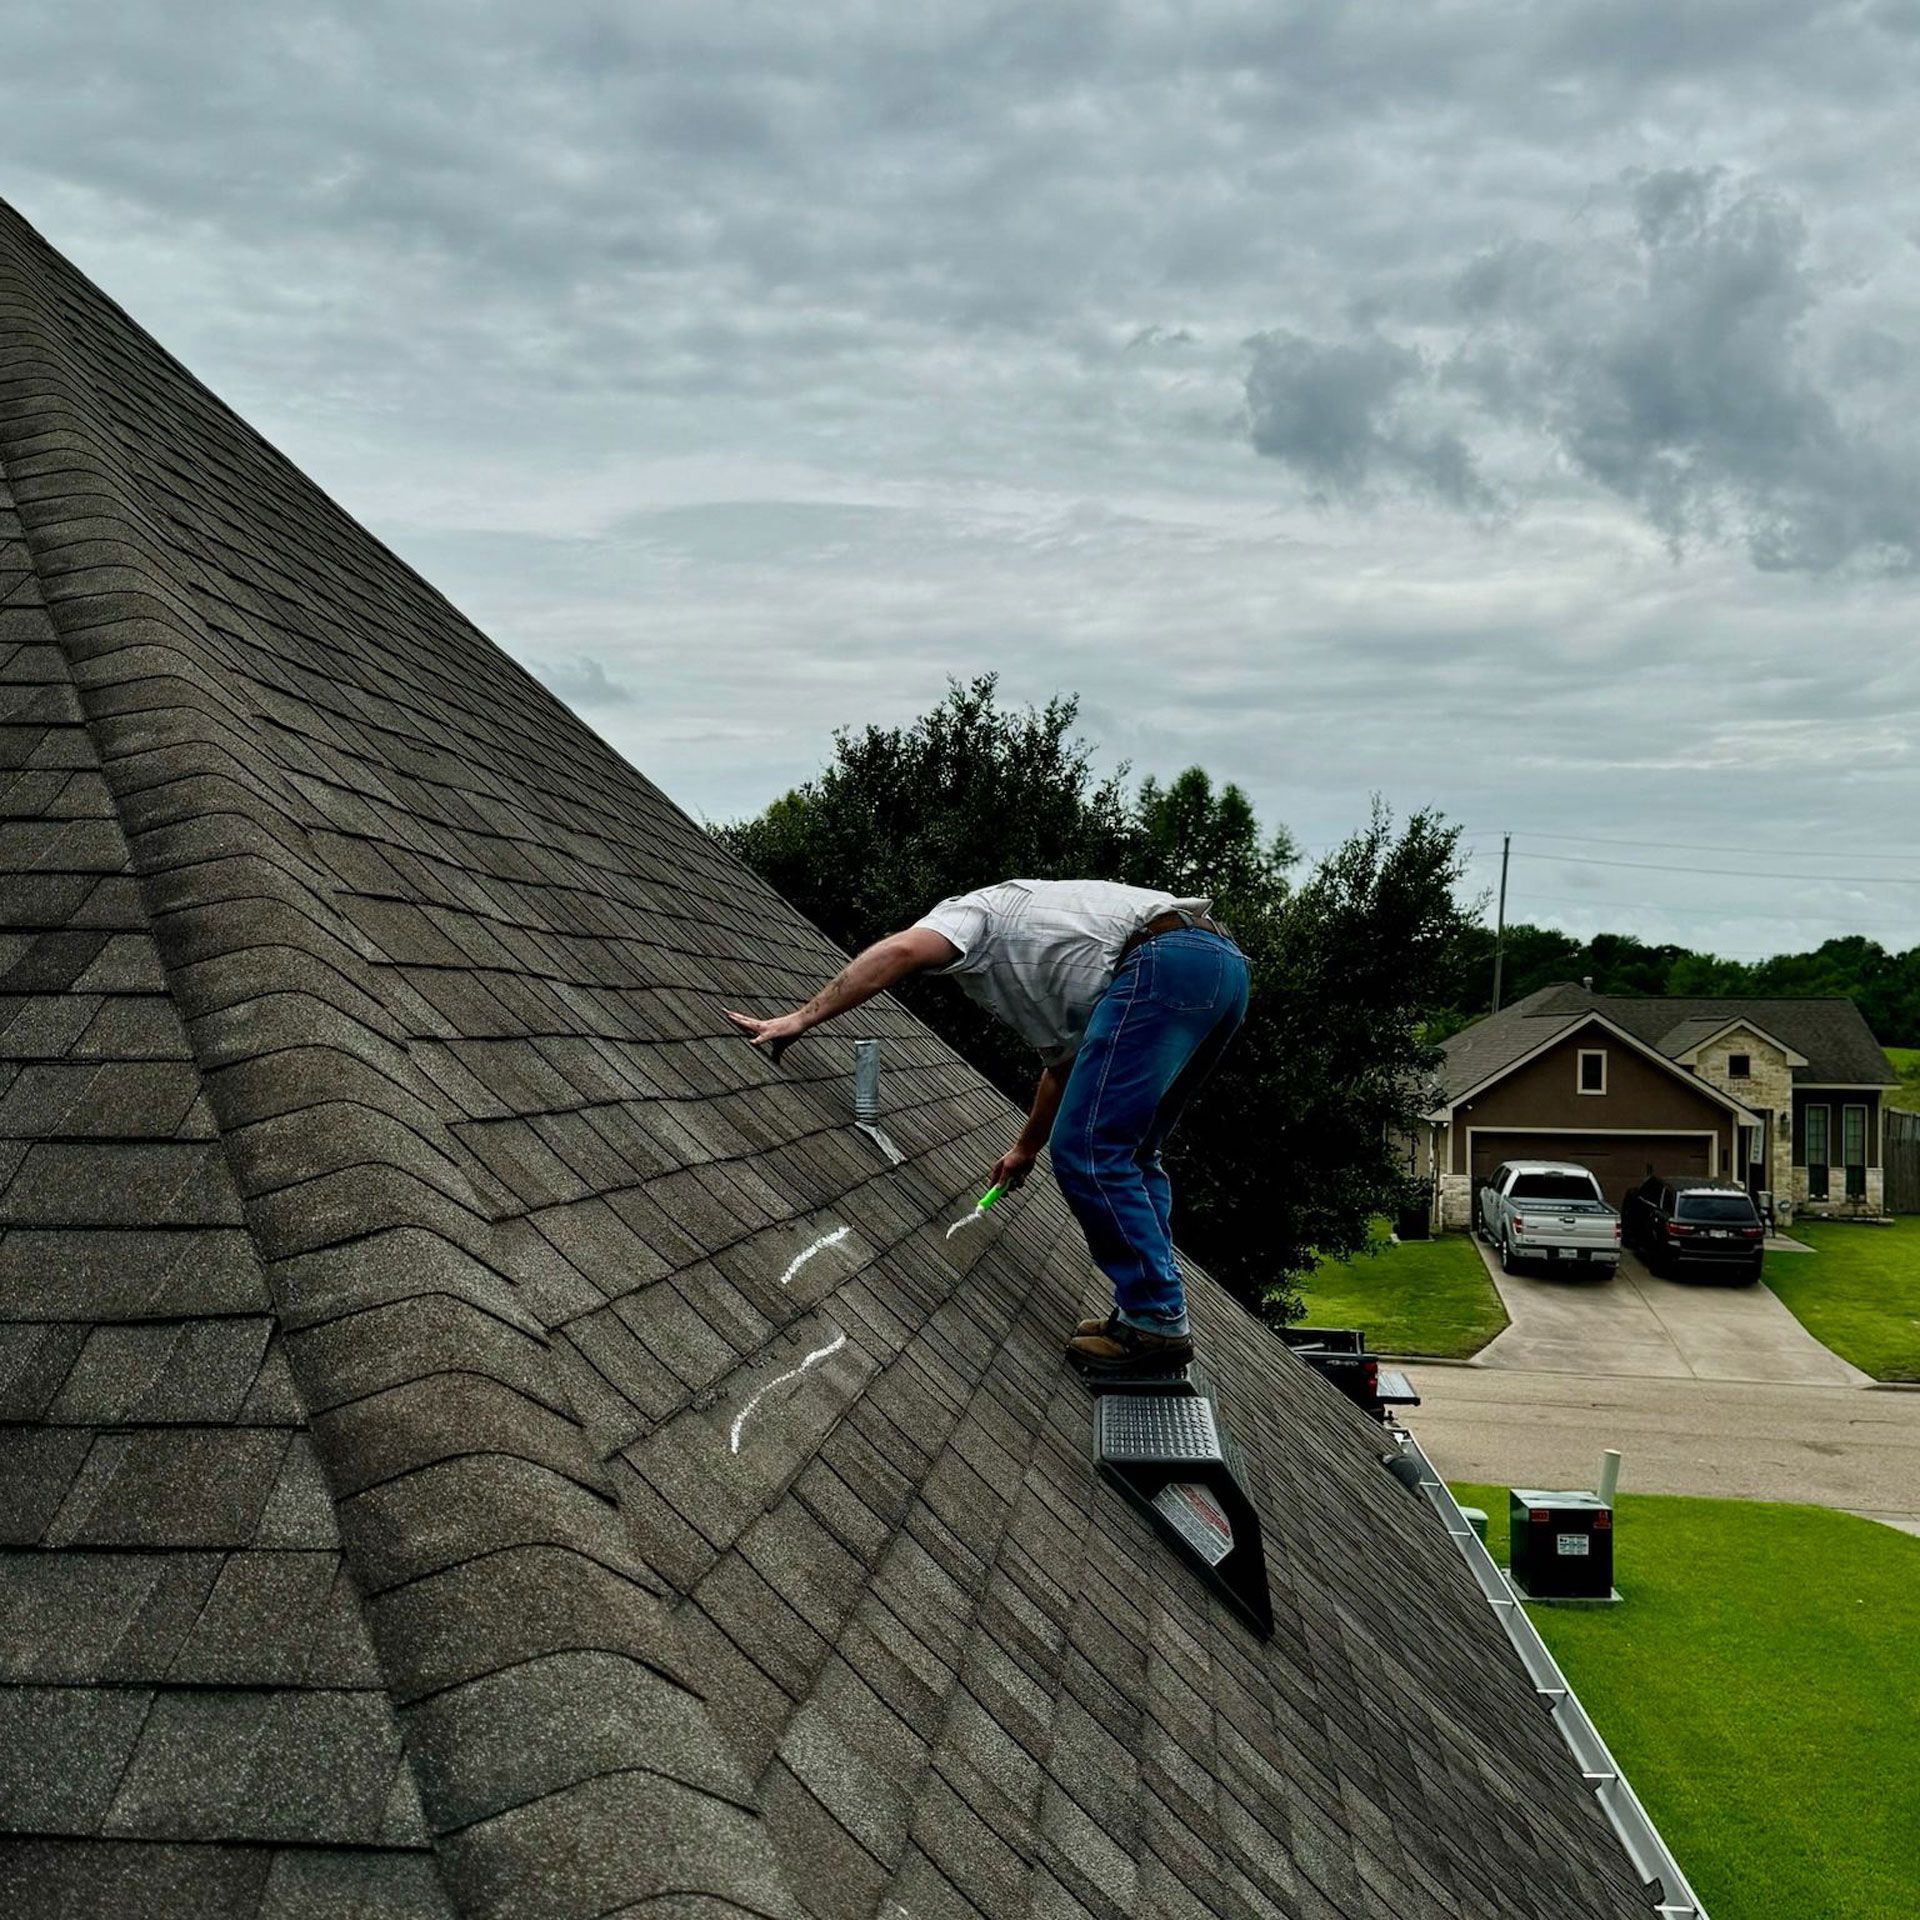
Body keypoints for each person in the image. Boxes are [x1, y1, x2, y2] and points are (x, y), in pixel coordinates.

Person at [723, 879, 1250, 1376]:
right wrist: (1024, 1148)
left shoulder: (970, 915)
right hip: (1218, 967)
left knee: (1090, 1150)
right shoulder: (1054, 958)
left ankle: (1156, 1319)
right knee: (1133, 1154)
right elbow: (1063, 1069)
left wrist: (800, 1018)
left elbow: (897, 954)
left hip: (1166, 962)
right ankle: (1147, 1313)